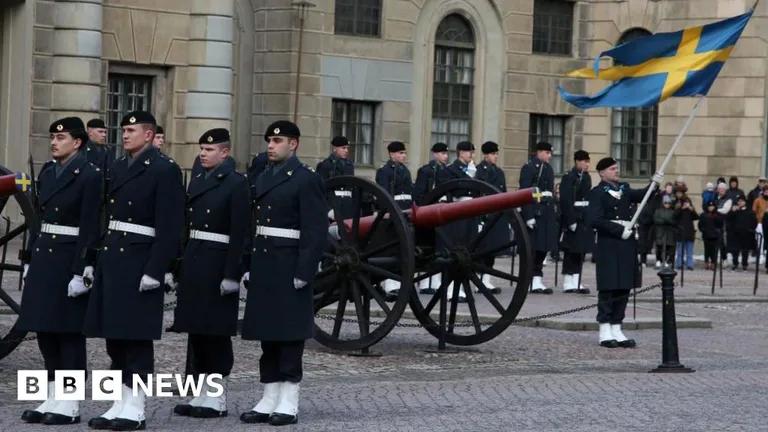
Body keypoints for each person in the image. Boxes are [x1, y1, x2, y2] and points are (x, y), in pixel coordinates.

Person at [83, 111, 185, 430]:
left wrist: (156, 270)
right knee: (115, 338)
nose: (124, 135)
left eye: (131, 130)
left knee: (136, 339)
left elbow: (170, 227)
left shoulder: (164, 169)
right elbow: (104, 214)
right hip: (114, 259)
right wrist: (92, 258)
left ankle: (136, 407)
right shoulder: (117, 166)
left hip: (140, 261)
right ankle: (118, 402)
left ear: (149, 134)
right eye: (123, 130)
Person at [240, 121, 327, 426]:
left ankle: (288, 399)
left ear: (294, 144)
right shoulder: (264, 176)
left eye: (277, 140)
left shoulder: (305, 179)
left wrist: (305, 269)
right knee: (268, 334)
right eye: (269, 140)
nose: (270, 145)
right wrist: (248, 266)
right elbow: (255, 225)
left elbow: (314, 230)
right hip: (265, 263)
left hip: (289, 264)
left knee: (289, 336)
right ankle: (269, 396)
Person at [17, 117, 102, 425]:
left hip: (68, 260)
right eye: (52, 137)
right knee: (45, 331)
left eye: (61, 137)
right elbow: (37, 219)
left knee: (68, 335)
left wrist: (82, 270)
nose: (54, 142)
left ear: (77, 142)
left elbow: (91, 226)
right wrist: (29, 260)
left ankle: (71, 401)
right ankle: (52, 394)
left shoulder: (90, 175)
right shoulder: (49, 171)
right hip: (45, 259)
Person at [172, 129, 249, 419]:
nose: (203, 153)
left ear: (225, 152)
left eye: (210, 149)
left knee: (216, 334)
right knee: (198, 332)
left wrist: (232, 274)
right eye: (202, 148)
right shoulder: (200, 178)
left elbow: (240, 233)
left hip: (218, 265)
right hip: (195, 261)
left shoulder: (235, 183)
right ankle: (200, 393)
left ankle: (216, 398)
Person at [587, 157, 653, 348]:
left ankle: (617, 326)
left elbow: (642, 195)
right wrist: (618, 230)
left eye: (617, 168)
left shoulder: (624, 189)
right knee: (609, 287)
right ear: (602, 173)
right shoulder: (597, 193)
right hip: (609, 243)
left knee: (624, 285)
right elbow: (594, 220)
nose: (617, 171)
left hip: (626, 245)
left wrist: (654, 184)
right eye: (612, 168)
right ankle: (605, 329)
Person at [375, 141, 413, 300]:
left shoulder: (405, 170)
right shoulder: (384, 171)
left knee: (403, 247)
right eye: (400, 153)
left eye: (404, 153)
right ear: (392, 154)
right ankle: (390, 285)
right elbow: (383, 192)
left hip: (405, 208)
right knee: (392, 248)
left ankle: (399, 284)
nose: (403, 156)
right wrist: (387, 210)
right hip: (393, 209)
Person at [519, 142, 557, 294]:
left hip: (546, 212)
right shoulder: (529, 168)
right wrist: (528, 215)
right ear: (539, 152)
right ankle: (529, 280)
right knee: (533, 249)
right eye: (547, 153)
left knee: (543, 248)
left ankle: (537, 279)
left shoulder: (547, 168)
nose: (549, 156)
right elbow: (525, 192)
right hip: (535, 211)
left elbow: (549, 191)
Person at [413, 142, 449, 294]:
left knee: (438, 247)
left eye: (446, 154)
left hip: (441, 210)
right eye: (442, 153)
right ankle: (424, 282)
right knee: (426, 245)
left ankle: (435, 281)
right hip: (429, 210)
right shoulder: (426, 171)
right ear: (435, 154)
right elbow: (420, 193)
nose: (445, 156)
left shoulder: (445, 171)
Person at [474, 141, 509, 295]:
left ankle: (486, 279)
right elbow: (478, 195)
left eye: (496, 154)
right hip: (485, 215)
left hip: (497, 216)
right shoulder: (480, 171)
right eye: (493, 154)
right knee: (482, 249)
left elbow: (503, 194)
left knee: (493, 249)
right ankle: (479, 280)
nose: (495, 157)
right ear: (486, 155)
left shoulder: (499, 172)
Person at [558, 150, 592, 294]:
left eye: (587, 161)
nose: (587, 164)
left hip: (583, 217)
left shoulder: (586, 177)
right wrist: (571, 220)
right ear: (577, 161)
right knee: (570, 250)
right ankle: (568, 280)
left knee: (580, 250)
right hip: (572, 216)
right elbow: (566, 200)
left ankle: (577, 279)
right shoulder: (569, 177)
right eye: (584, 161)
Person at [316, 136, 355, 220]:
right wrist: (328, 209)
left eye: (347, 148)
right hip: (333, 204)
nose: (346, 151)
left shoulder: (349, 165)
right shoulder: (325, 165)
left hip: (347, 205)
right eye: (343, 148)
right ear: (334, 148)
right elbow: (320, 190)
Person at [727, 194, 754, 271]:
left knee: (745, 251)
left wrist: (750, 229)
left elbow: (753, 221)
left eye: (742, 201)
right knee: (735, 250)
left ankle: (744, 264)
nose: (740, 202)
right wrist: (732, 211)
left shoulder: (749, 211)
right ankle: (735, 263)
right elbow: (728, 219)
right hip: (735, 234)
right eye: (739, 201)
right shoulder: (734, 210)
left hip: (746, 234)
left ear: (745, 202)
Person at [673, 193, 698, 270]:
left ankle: (689, 265)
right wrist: (681, 208)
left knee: (689, 251)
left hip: (690, 233)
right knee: (680, 251)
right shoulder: (679, 209)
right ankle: (679, 264)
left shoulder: (690, 211)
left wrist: (691, 209)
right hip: (680, 232)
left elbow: (696, 217)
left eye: (687, 203)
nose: (686, 204)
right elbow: (675, 216)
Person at [653, 195, 677, 268]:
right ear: (663, 203)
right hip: (660, 231)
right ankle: (658, 260)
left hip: (669, 231)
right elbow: (655, 219)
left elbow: (674, 220)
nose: (667, 204)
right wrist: (663, 221)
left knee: (669, 247)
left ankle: (667, 261)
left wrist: (668, 221)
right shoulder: (658, 211)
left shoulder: (672, 212)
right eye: (666, 203)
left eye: (669, 203)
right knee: (659, 246)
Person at [698, 202, 724, 270]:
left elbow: (721, 224)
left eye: (712, 206)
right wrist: (703, 230)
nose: (711, 208)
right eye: (709, 206)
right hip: (706, 235)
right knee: (707, 250)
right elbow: (700, 224)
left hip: (715, 236)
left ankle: (713, 263)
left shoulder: (718, 214)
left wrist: (716, 218)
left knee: (714, 251)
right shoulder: (703, 215)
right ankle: (706, 262)